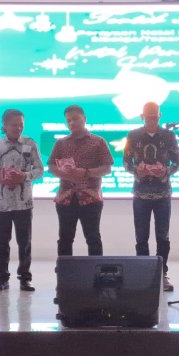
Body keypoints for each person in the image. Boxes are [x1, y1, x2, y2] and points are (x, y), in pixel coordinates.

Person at [0, 109, 43, 292]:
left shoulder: (30, 144)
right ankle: (2, 278)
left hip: (24, 203)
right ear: (5, 126)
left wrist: (25, 176)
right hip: (1, 204)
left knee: (25, 243)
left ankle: (25, 278)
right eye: (14, 125)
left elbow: (39, 170)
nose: (18, 128)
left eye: (21, 124)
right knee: (2, 242)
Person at [123, 102, 179, 291]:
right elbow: (126, 162)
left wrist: (165, 171)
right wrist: (137, 171)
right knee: (141, 237)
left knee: (162, 236)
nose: (152, 120)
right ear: (142, 116)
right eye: (148, 117)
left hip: (162, 193)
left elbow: (178, 162)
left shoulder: (169, 135)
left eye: (155, 117)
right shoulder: (133, 135)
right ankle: (143, 274)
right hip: (140, 193)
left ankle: (162, 274)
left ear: (160, 116)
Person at [48, 105, 113, 256]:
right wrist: (66, 174)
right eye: (68, 120)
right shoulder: (61, 143)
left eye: (75, 119)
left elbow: (107, 168)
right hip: (66, 198)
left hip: (91, 198)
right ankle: (65, 270)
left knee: (93, 238)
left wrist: (85, 173)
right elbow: (51, 166)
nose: (72, 123)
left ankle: (96, 270)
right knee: (65, 239)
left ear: (84, 119)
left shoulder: (98, 142)